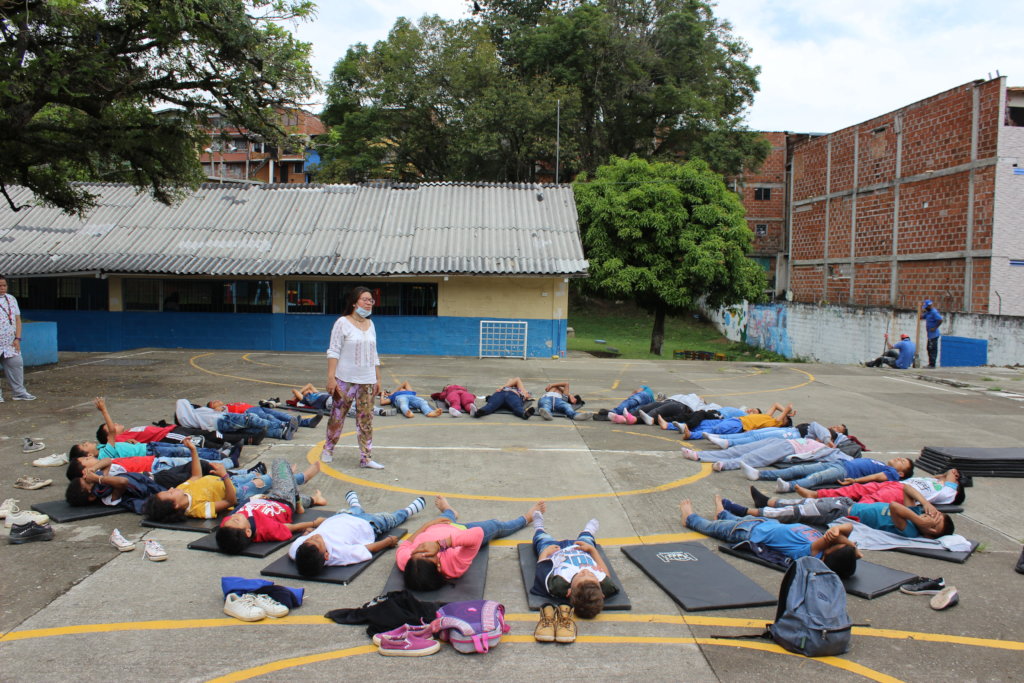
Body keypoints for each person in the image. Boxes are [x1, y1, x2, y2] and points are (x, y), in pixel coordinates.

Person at [680, 496, 860, 577]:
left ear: (830, 553)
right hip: (764, 525)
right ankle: (721, 513)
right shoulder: (826, 547)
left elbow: (843, 530)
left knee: (712, 528)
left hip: (749, 533)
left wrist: (839, 534)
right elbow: (850, 534)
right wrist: (848, 543)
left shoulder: (813, 554)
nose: (838, 539)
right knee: (730, 519)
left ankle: (689, 518)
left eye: (838, 544)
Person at [142, 442, 323, 521]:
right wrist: (224, 476)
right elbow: (230, 501)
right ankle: (300, 478)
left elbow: (196, 475)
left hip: (230, 479)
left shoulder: (183, 489)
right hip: (237, 490)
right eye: (169, 492)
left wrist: (193, 452)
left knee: (267, 488)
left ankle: (299, 487)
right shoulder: (197, 510)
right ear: (174, 505)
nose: (172, 488)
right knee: (271, 480)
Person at [397, 495, 544, 590]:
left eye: (417, 553)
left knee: (447, 516)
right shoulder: (454, 565)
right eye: (426, 555)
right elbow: (477, 534)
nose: (421, 549)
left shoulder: (407, 561)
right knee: (496, 526)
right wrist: (439, 544)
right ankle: (526, 518)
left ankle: (449, 510)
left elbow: (405, 545)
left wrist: (427, 525)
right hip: (463, 531)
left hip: (438, 524)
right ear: (438, 566)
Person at [289, 490, 427, 577]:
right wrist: (387, 542)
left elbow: (302, 540)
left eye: (310, 539)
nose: (315, 537)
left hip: (341, 517)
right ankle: (408, 511)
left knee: (354, 509)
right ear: (326, 555)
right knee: (391, 519)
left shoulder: (297, 551)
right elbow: (367, 549)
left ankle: (355, 504)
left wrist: (307, 532)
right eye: (318, 541)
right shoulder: (340, 555)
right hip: (368, 525)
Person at [321, 286, 383, 468]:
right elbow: (333, 351)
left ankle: (366, 457)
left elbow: (374, 353)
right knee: (337, 416)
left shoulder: (371, 325)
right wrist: (331, 378)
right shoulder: (342, 323)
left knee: (366, 420)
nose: (369, 303)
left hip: (367, 381)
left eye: (371, 300)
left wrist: (378, 378)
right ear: (355, 303)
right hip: (345, 379)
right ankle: (328, 449)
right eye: (365, 299)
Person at [215, 459, 325, 554]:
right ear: (248, 532)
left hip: (266, 498)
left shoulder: (228, 525)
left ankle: (313, 499)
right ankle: (297, 492)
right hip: (283, 500)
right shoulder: (265, 529)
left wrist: (253, 499)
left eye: (229, 520)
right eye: (236, 520)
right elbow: (289, 528)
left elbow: (239, 507)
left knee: (269, 482)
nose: (234, 516)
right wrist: (314, 523)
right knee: (280, 463)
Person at [726, 494, 953, 539]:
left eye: (937, 518)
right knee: (805, 503)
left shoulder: (911, 528)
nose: (933, 514)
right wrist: (925, 503)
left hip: (843, 513)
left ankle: (748, 512)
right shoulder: (915, 511)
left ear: (932, 530)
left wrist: (920, 519)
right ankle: (767, 502)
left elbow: (895, 506)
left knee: (800, 512)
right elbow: (906, 492)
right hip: (848, 505)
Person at [530, 511, 618, 619]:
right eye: (592, 575)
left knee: (542, 540)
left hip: (556, 551)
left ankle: (539, 527)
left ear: (569, 591)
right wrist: (592, 550)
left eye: (581, 576)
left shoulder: (559, 584)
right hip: (581, 549)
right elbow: (606, 574)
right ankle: (588, 531)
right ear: (602, 593)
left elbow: (541, 570)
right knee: (587, 539)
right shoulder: (603, 586)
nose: (586, 572)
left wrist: (545, 553)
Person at [742, 455, 913, 492]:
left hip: (846, 471)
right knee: (799, 469)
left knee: (816, 478)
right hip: (840, 463)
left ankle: (789, 487)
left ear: (902, 473)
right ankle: (759, 475)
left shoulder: (892, 473)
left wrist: (855, 480)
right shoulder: (882, 463)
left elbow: (878, 478)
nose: (899, 459)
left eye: (902, 462)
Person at [175, 398, 295, 440]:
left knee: (252, 429)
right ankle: (281, 427)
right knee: (250, 419)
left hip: (219, 424)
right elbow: (181, 402)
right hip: (222, 420)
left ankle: (280, 433)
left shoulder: (194, 418)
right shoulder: (191, 415)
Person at [676, 402, 796, 440]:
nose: (781, 415)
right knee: (707, 425)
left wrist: (787, 412)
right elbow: (775, 405)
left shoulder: (775, 424)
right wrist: (787, 413)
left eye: (784, 418)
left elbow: (785, 410)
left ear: (783, 423)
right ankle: (680, 428)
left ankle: (691, 435)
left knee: (716, 431)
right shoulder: (769, 418)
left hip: (740, 425)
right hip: (737, 420)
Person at [0, 275, 35, 402]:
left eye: (4, 285)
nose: (2, 288)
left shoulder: (11, 299)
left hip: (10, 342)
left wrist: (17, 338)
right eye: (0, 286)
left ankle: (19, 392)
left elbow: (17, 319)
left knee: (16, 364)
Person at [921, 299, 943, 368]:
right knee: (929, 348)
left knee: (932, 349)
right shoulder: (928, 312)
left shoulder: (934, 312)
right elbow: (921, 317)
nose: (926, 308)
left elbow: (940, 320)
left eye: (926, 307)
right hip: (930, 335)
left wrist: (935, 327)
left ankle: (932, 364)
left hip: (934, 334)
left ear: (929, 306)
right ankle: (930, 363)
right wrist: (921, 312)